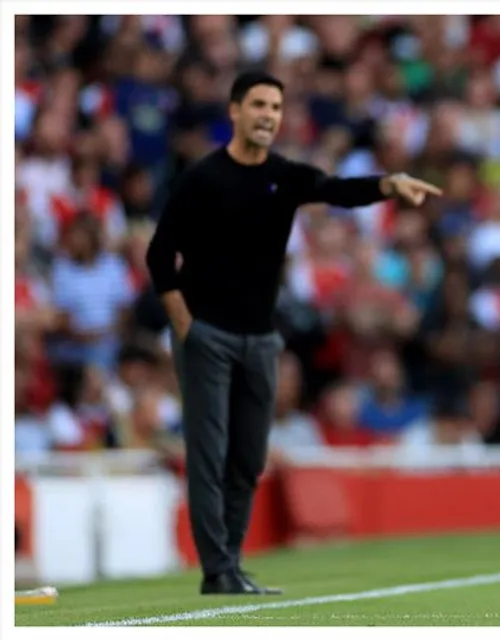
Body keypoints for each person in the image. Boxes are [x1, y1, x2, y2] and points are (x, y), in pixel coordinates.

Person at [145, 71, 441, 596]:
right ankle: (217, 569)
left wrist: (388, 184)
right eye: (258, 104)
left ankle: (229, 564)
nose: (267, 115)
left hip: (261, 339)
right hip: (208, 335)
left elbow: (335, 190)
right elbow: (159, 254)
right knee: (209, 452)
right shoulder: (203, 178)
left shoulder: (282, 177)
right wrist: (184, 325)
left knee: (250, 457)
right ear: (235, 111)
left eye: (275, 107)